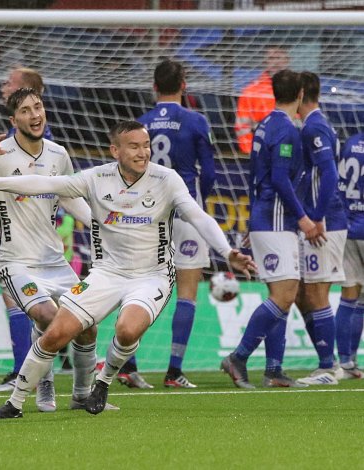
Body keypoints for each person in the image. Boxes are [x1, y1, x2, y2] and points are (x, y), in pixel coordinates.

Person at [0, 120, 257, 419]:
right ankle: (14, 404)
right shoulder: (97, 178)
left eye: (145, 145)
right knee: (55, 333)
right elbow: (45, 183)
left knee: (127, 328)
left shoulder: (166, 179)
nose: (143, 152)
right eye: (134, 146)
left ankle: (103, 382)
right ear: (115, 150)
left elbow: (198, 217)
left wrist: (226, 251)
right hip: (106, 274)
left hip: (152, 276)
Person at [0, 87, 112, 413]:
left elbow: (67, 196)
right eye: (26, 111)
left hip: (55, 263)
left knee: (87, 323)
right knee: (48, 317)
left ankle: (81, 395)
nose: (35, 115)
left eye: (38, 107)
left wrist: (98, 223)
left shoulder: (58, 154)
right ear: (13, 119)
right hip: (14, 263)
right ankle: (43, 382)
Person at [221, 69, 322, 389]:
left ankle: (274, 370)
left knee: (281, 295)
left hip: (267, 220)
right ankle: (238, 356)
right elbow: (279, 179)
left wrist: (252, 219)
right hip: (277, 221)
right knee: (284, 294)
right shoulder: (286, 130)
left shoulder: (264, 124)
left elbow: (257, 177)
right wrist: (304, 218)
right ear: (301, 94)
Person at [137, 58, 216, 389]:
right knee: (187, 292)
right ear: (184, 85)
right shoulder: (196, 121)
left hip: (147, 216)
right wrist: (198, 203)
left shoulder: (139, 124)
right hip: (185, 213)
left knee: (136, 289)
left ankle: (127, 366)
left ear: (154, 86)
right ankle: (173, 371)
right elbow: (209, 173)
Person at [0, 67, 54, 393]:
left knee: (42, 312)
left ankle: (25, 371)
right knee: (33, 308)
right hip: (22, 239)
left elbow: (50, 190)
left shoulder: (43, 143)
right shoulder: (15, 139)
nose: (4, 86)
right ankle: (27, 372)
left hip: (35, 242)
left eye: (9, 82)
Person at [291, 72, 347, 386]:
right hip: (322, 219)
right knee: (303, 293)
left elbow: (329, 175)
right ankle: (330, 361)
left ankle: (328, 368)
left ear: (300, 94)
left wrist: (317, 216)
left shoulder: (314, 126)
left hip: (325, 222)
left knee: (317, 291)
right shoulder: (317, 124)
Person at [334, 131, 364, 379]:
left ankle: (346, 363)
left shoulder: (351, 144)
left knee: (350, 295)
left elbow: (339, 186)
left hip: (349, 227)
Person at [234, 47, 290, 155]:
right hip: (260, 156)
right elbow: (242, 128)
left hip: (290, 154)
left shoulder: (298, 90)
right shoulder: (250, 92)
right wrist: (253, 153)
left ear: (287, 60)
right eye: (271, 58)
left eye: (279, 57)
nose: (276, 62)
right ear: (265, 62)